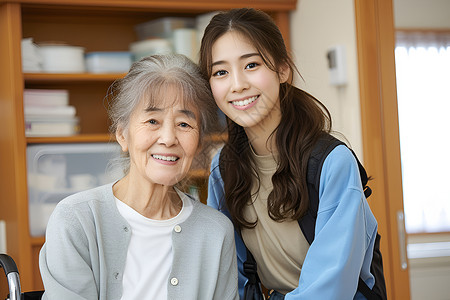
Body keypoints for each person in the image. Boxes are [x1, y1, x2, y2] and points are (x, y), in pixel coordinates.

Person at [199, 8, 379, 300]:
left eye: (251, 65)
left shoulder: (331, 162)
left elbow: (332, 285)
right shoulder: (223, 167)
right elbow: (232, 273)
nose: (237, 84)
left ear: (283, 69)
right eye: (221, 72)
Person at [39, 54, 239, 300]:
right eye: (153, 121)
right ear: (122, 134)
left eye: (184, 124)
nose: (168, 138)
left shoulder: (216, 232)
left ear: (198, 144)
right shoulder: (76, 220)